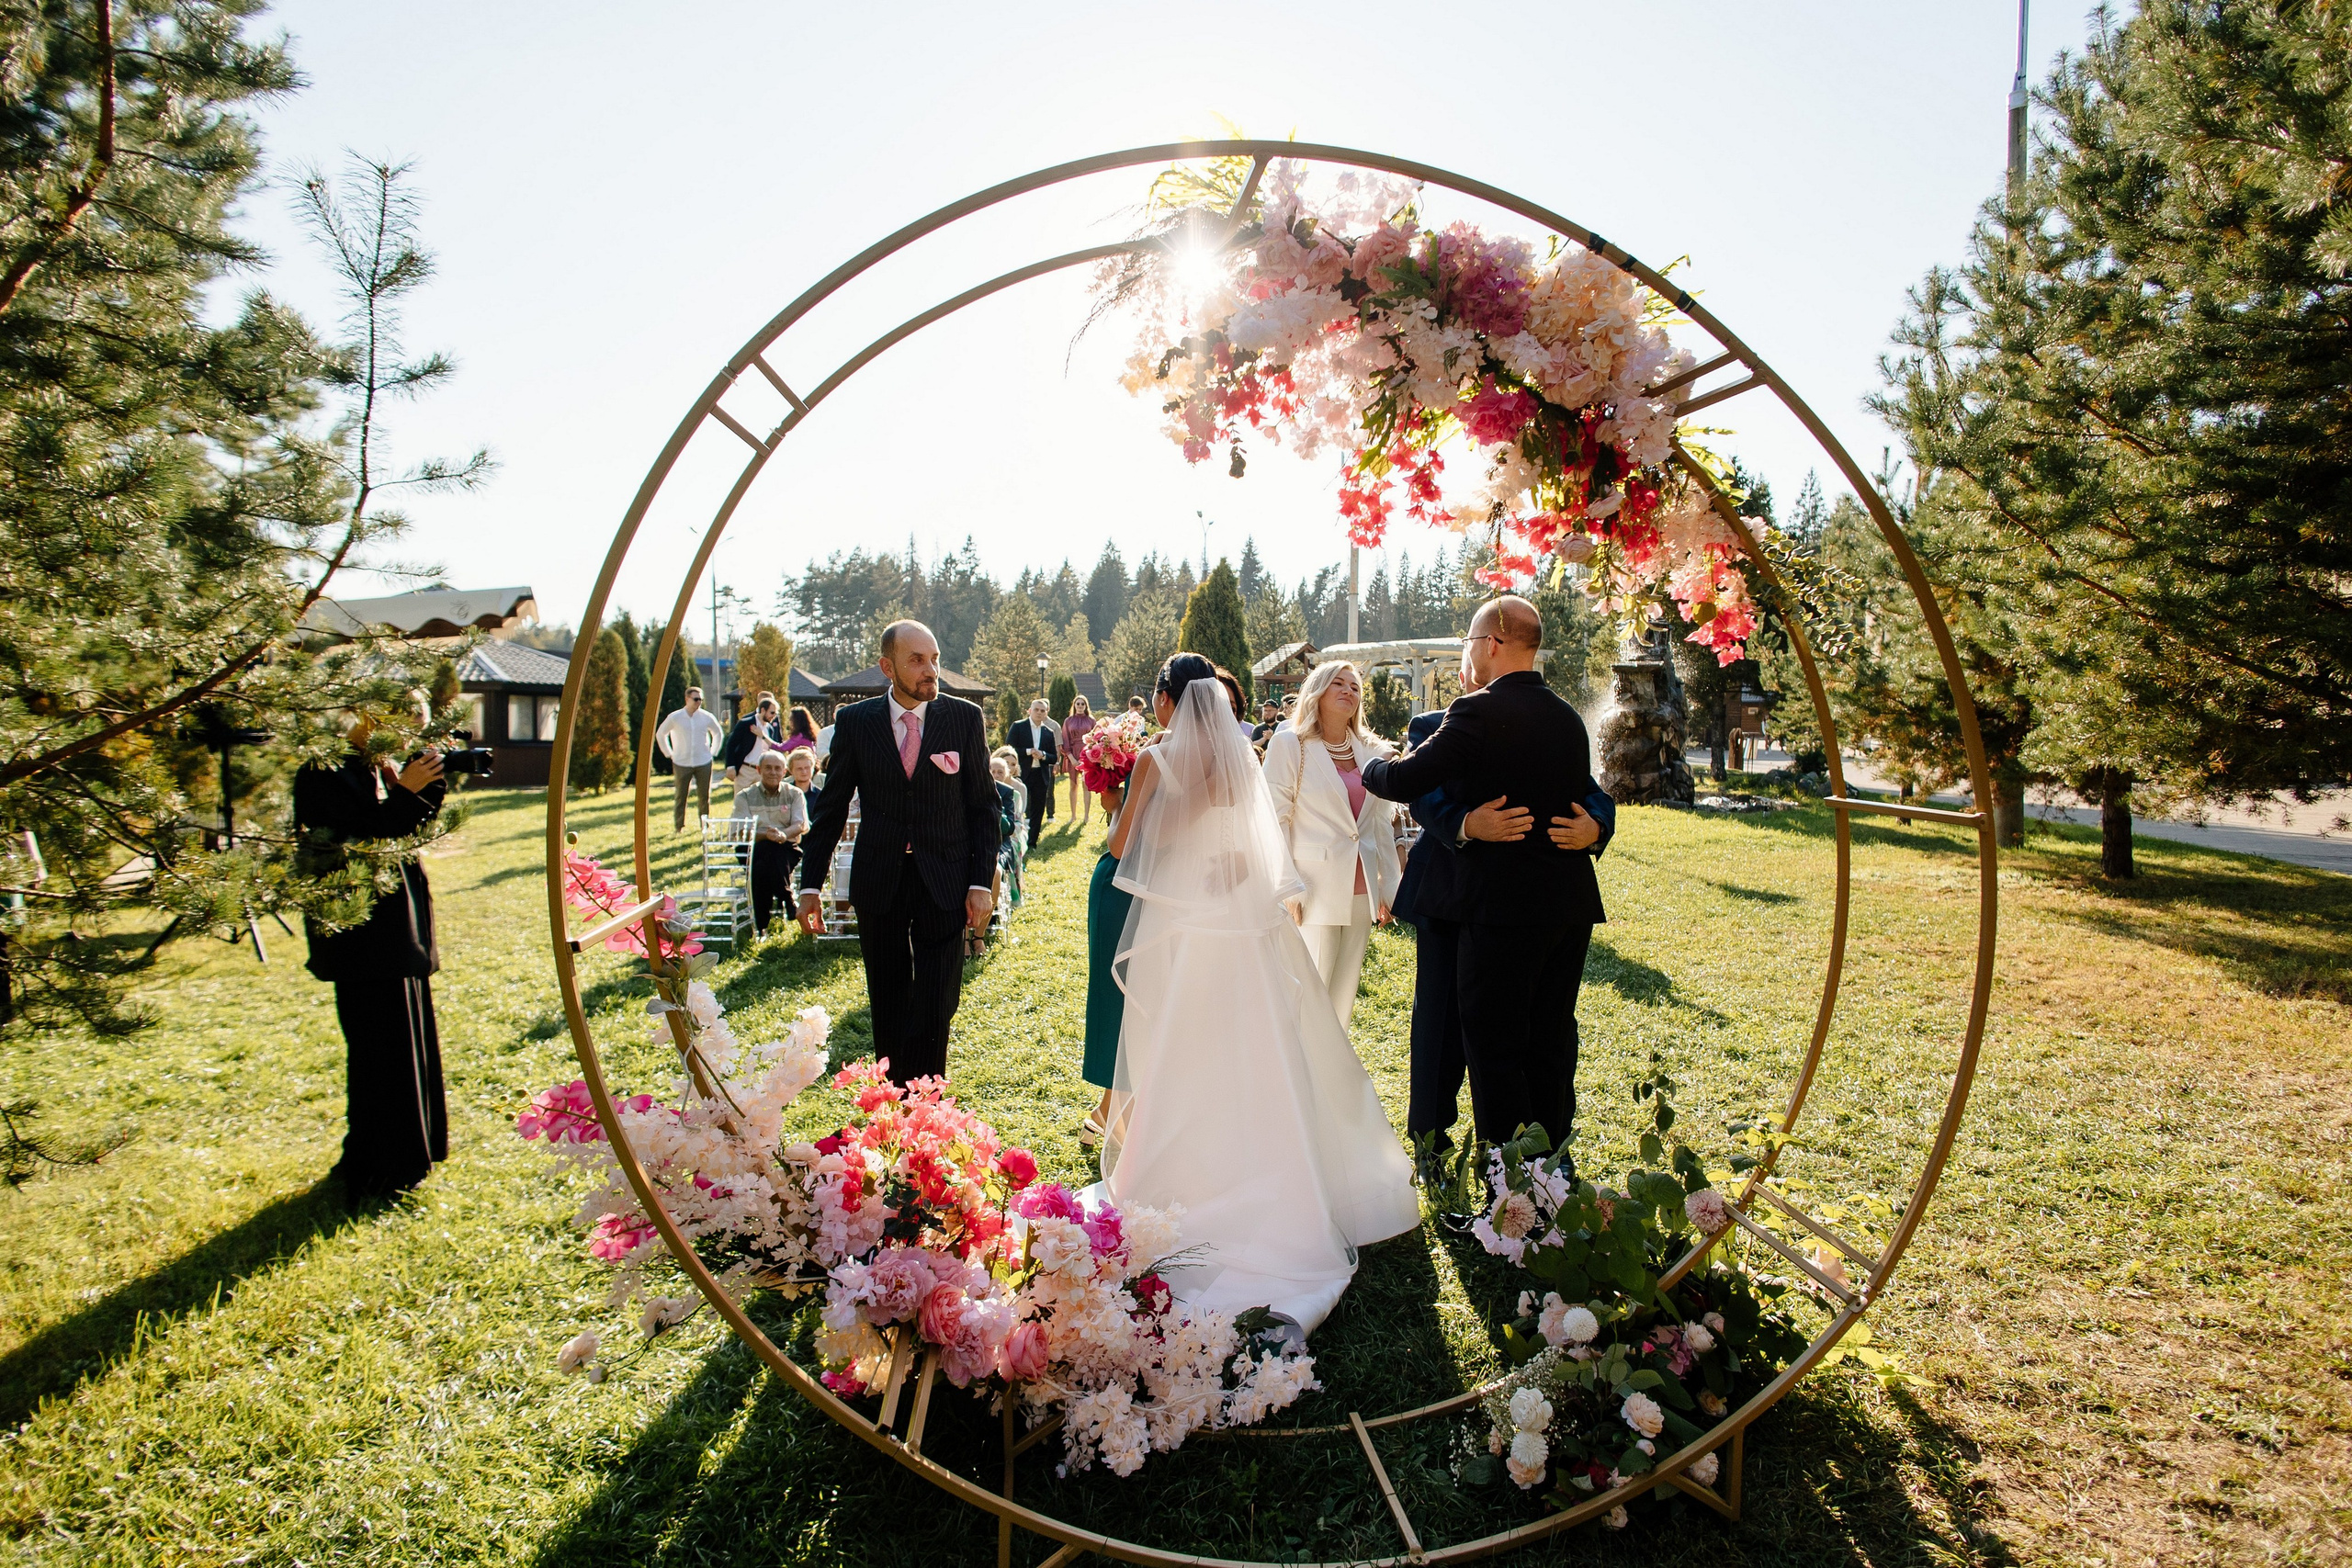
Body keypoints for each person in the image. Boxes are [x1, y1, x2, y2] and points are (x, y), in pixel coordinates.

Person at [1095, 660, 1419, 1332]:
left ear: (1166, 703)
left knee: (1180, 1046)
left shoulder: (1156, 758)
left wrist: (1133, 815)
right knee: (1262, 1044)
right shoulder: (1245, 752)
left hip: (1185, 924)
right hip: (1242, 921)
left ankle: (1179, 1169)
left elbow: (1124, 844)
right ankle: (1281, 1169)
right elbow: (1258, 844)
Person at [1358, 595, 1611, 1156]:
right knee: (1540, 1031)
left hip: (1495, 907)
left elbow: (1404, 781)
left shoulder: (1476, 713)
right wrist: (1466, 823)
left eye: (1470, 644)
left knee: (1496, 1042)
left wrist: (1367, 761)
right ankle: (1538, 1153)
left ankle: (1510, 1173)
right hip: (1556, 903)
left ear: (1491, 645)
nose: (1467, 656)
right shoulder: (1568, 717)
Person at [795, 620, 996, 1085]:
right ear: (888, 667)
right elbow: (830, 809)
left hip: (944, 878)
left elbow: (984, 807)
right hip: (879, 877)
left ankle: (928, 1108)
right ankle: (894, 1110)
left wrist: (981, 882)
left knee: (937, 1000)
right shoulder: (855, 722)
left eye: (935, 659)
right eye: (917, 661)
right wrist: (809, 885)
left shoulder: (963, 718)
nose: (932, 671)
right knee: (887, 998)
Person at [294, 699, 449, 1199]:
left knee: (408, 1041)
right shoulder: (324, 772)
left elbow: (401, 830)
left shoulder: (382, 769)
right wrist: (405, 794)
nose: (408, 741)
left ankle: (415, 1149)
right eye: (405, 727)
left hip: (397, 932)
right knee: (378, 1052)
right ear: (371, 717)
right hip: (361, 940)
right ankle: (380, 1162)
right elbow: (359, 843)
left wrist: (426, 792)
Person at [1261, 661, 1403, 1027]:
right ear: (1318, 691)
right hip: (1311, 888)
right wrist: (1287, 886)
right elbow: (1274, 819)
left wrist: (1389, 886)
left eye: (1355, 687)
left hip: (1359, 891)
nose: (1348, 691)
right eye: (1338, 683)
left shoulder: (1371, 752)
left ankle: (1331, 1078)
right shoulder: (1289, 744)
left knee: (1342, 996)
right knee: (1311, 992)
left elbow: (1378, 823)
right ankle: (1300, 1076)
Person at [731, 749, 808, 933]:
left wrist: (782, 835)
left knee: (763, 865)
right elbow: (741, 830)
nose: (773, 772)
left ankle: (761, 927)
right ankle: (787, 898)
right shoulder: (745, 796)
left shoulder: (794, 794)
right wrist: (766, 835)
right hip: (753, 849)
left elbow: (801, 824)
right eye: (768, 768)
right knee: (766, 851)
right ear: (759, 770)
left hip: (787, 848)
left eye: (777, 768)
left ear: (784, 771)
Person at [654, 686, 726, 832]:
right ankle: (679, 827)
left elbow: (718, 733)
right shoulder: (675, 717)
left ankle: (704, 826)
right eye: (696, 699)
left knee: (704, 796)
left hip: (703, 761)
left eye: (701, 699)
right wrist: (669, 753)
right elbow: (661, 734)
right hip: (681, 762)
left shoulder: (706, 716)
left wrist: (713, 752)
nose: (699, 702)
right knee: (681, 796)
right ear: (687, 699)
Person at [1007, 698, 1057, 851]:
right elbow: (1009, 748)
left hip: (1040, 775)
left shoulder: (1048, 732)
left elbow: (1054, 757)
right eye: (1037, 710)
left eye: (1043, 711)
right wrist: (1029, 752)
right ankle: (1014, 839)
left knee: (1038, 809)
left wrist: (1042, 755)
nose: (1039, 713)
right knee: (1017, 806)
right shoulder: (1018, 726)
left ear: (1046, 713)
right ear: (1030, 710)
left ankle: (1032, 843)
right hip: (1022, 773)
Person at [723, 693, 782, 789]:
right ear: (763, 710)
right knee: (741, 801)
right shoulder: (746, 723)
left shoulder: (769, 728)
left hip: (762, 771)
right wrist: (730, 766)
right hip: (745, 770)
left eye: (776, 714)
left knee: (762, 802)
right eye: (772, 713)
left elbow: (774, 746)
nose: (774, 716)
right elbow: (731, 744)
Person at [1058, 694, 1097, 829]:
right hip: (1072, 755)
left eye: (1082, 704)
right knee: (1073, 786)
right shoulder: (1068, 721)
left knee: (1087, 786)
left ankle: (1086, 816)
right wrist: (1071, 758)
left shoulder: (1091, 720)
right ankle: (1073, 815)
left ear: (1086, 706)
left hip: (1088, 755)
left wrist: (1091, 756)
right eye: (1078, 704)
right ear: (1074, 705)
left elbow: (1096, 738)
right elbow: (1065, 739)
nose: (1080, 706)